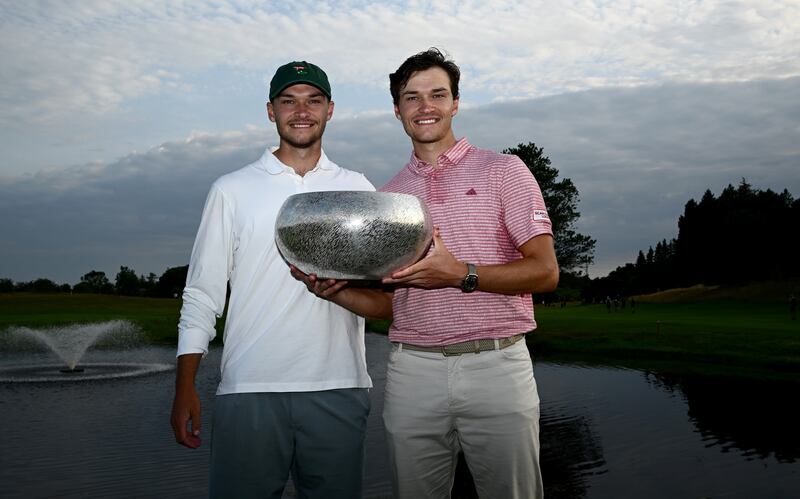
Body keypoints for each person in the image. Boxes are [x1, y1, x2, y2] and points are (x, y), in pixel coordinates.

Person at [292, 48, 558, 499]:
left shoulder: (504, 171)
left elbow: (545, 272)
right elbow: (392, 304)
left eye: (437, 94)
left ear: (456, 102)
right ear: (397, 110)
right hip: (413, 370)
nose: (425, 106)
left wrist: (462, 274)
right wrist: (334, 293)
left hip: (496, 365)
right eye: (412, 97)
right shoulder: (391, 195)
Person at [170, 61, 374, 499]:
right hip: (249, 389)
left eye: (313, 100)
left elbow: (384, 290)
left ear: (330, 109)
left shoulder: (358, 188)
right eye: (289, 101)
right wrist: (185, 386)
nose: (301, 111)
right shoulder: (232, 188)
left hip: (338, 387)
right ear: (271, 110)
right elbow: (203, 293)